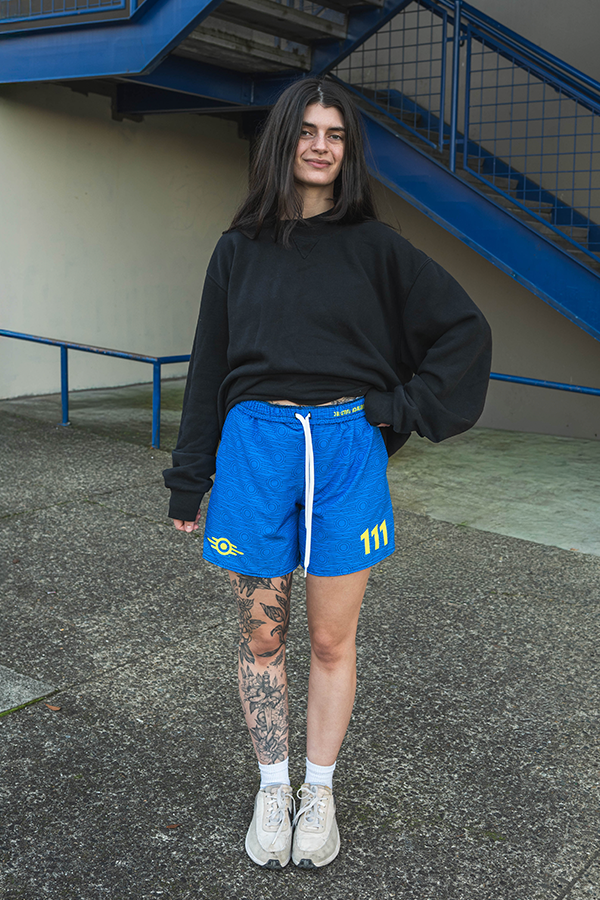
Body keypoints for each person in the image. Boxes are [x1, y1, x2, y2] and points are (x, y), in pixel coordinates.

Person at [163, 77, 492, 870]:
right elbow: (209, 366)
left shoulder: (377, 248)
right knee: (262, 635)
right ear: (283, 141)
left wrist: (398, 407)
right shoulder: (237, 250)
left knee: (331, 638)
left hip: (346, 449)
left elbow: (463, 329)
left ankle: (320, 791)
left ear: (348, 150)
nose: (320, 145)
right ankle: (272, 787)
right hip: (256, 449)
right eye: (307, 130)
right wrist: (189, 476)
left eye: (336, 134)